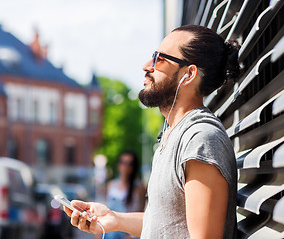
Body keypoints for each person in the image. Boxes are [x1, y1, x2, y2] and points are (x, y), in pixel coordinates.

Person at [64, 25, 240, 238]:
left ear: (188, 74)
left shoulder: (201, 138)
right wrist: (115, 219)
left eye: (160, 59)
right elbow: (166, 225)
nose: (147, 66)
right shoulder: (173, 134)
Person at [106, 151, 146, 239]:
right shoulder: (111, 185)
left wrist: (132, 236)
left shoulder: (138, 187)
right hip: (110, 231)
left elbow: (140, 213)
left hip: (127, 232)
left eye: (129, 163)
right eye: (123, 162)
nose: (125, 166)